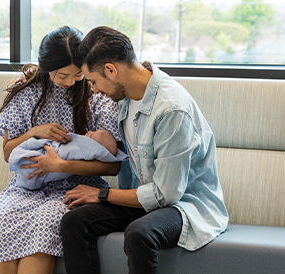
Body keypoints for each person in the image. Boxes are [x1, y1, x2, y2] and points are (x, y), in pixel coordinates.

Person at [60, 26, 229, 274]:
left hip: (185, 205)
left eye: (94, 81)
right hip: (145, 198)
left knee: (139, 234)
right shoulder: (125, 95)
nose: (94, 90)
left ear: (111, 70)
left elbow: (166, 194)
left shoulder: (171, 110)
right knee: (74, 222)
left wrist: (102, 194)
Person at [0, 26, 123, 274]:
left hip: (77, 188)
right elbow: (8, 154)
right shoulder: (26, 93)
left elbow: (113, 164)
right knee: (2, 222)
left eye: (78, 74)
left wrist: (62, 166)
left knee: (45, 222)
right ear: (46, 68)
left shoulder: (97, 94)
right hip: (25, 188)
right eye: (61, 76)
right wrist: (35, 132)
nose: (70, 82)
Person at [9, 129, 127, 190]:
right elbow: (7, 153)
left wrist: (59, 165)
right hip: (24, 185)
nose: (89, 132)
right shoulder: (22, 95)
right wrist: (33, 132)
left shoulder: (102, 102)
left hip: (73, 187)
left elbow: (113, 167)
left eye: (92, 135)